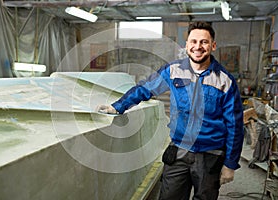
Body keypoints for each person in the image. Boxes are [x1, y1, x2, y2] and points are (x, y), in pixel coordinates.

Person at [98, 21, 244, 200]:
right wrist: (117, 106)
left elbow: (235, 126)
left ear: (213, 45)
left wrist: (230, 164)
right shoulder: (173, 71)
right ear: (187, 45)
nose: (198, 46)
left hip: (210, 155)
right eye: (193, 41)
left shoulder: (225, 81)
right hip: (179, 151)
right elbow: (145, 89)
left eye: (204, 42)